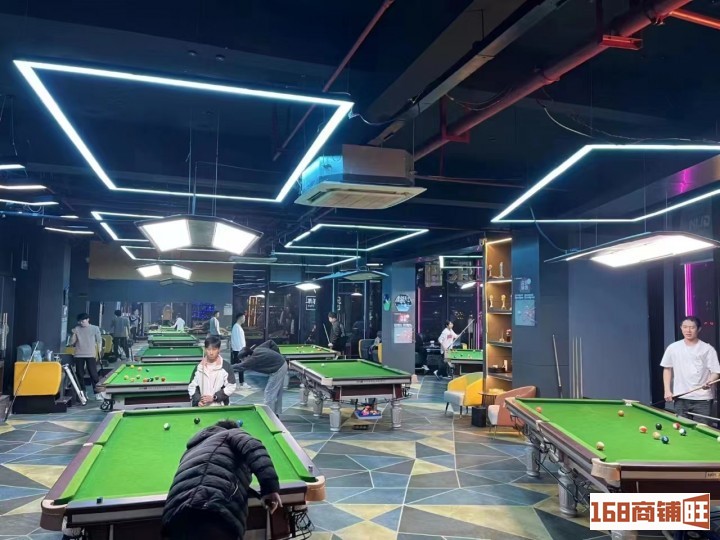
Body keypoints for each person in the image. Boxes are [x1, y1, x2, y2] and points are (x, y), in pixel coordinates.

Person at [161, 419, 283, 540]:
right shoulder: (229, 433)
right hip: (210, 508)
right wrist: (270, 488)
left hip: (174, 516)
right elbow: (253, 447)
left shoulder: (191, 450)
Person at [661, 315, 720, 424]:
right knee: (682, 428)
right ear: (681, 328)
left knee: (702, 429)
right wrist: (667, 390)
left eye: (692, 327)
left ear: (699, 329)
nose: (688, 330)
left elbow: (715, 372)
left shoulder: (707, 349)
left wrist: (710, 381)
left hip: (703, 399)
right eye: (685, 327)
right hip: (681, 397)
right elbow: (667, 369)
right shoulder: (673, 348)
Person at [234, 340, 287, 415]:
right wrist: (278, 356)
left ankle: (269, 416)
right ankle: (276, 414)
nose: (242, 361)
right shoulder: (257, 349)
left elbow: (239, 367)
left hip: (278, 369)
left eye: (242, 359)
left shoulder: (252, 359)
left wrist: (225, 367)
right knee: (277, 393)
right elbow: (271, 342)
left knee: (269, 393)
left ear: (248, 356)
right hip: (281, 364)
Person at [189, 336, 236, 407]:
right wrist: (198, 400)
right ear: (205, 349)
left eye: (214, 349)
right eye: (208, 349)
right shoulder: (199, 367)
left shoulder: (226, 367)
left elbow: (231, 386)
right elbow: (192, 387)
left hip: (221, 407)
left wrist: (215, 397)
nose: (211, 352)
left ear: (219, 350)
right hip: (202, 407)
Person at [70, 313, 103, 401]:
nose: (81, 323)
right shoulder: (77, 329)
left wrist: (99, 352)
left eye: (83, 321)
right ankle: (83, 393)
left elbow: (99, 341)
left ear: (88, 319)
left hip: (90, 354)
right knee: (79, 374)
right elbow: (72, 343)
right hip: (79, 354)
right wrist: (74, 334)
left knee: (93, 374)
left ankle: (97, 393)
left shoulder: (95, 328)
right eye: (79, 321)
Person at [231, 313, 251, 390]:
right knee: (240, 367)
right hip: (239, 351)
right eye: (244, 317)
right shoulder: (236, 327)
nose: (245, 319)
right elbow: (238, 341)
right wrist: (242, 352)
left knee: (239, 367)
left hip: (239, 350)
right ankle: (241, 383)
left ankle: (240, 382)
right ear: (241, 318)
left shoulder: (237, 327)